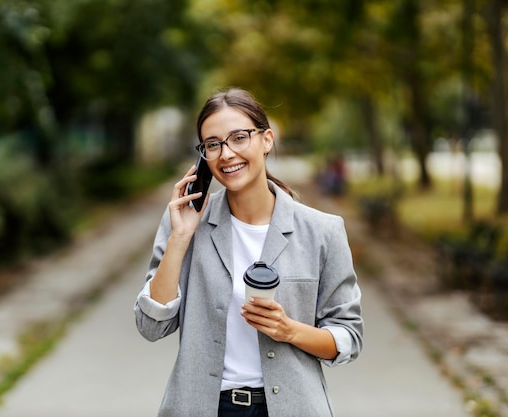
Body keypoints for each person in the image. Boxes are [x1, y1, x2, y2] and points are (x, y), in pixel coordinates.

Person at [134, 87, 363, 417]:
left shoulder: (321, 231)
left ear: (266, 140)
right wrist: (180, 238)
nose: (227, 154)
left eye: (239, 138)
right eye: (213, 144)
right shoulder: (183, 225)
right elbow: (151, 326)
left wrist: (290, 330)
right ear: (203, 156)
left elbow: (349, 336)